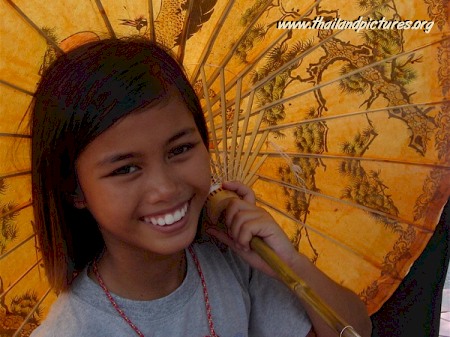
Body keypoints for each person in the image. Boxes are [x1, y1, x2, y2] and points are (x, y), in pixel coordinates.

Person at [29, 37, 371, 337]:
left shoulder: (231, 259)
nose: (164, 188)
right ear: (75, 190)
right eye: (126, 168)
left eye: (179, 150)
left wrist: (290, 264)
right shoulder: (75, 329)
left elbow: (354, 330)